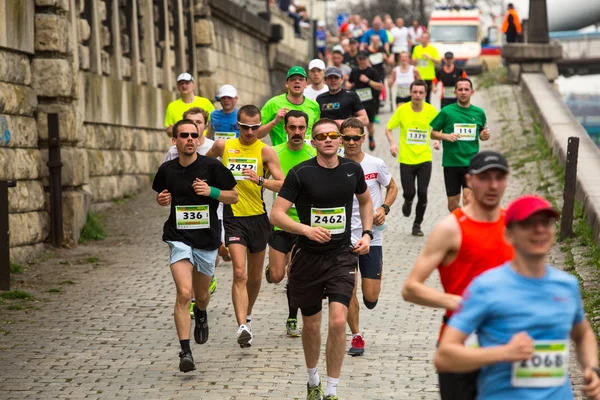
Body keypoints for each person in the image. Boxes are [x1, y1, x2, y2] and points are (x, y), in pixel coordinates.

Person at [436, 195, 600, 400]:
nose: (539, 230)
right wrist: (504, 353)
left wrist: (592, 369)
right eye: (528, 224)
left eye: (545, 223)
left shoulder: (567, 285)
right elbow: (445, 356)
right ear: (509, 235)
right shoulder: (485, 287)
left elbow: (583, 334)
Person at [271, 118, 373, 400]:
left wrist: (366, 233)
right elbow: (276, 214)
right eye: (321, 136)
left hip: (342, 256)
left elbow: (365, 201)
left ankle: (331, 390)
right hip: (307, 258)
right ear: (312, 142)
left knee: (339, 322)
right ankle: (312, 378)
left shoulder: (353, 170)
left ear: (340, 140)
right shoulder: (299, 173)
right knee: (312, 325)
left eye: (333, 135)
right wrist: (306, 230)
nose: (328, 139)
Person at [402, 151, 515, 400]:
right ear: (470, 181)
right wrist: (457, 302)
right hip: (461, 342)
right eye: (485, 178)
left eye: (500, 177)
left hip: (508, 340)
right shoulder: (451, 228)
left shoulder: (515, 226)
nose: (493, 185)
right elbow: (411, 288)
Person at [153, 118, 238, 373]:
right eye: (184, 135)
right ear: (175, 141)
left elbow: (233, 196)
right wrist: (161, 199)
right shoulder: (167, 169)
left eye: (194, 135)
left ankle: (201, 312)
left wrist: (211, 192)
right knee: (183, 292)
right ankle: (185, 351)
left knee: (201, 296)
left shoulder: (212, 166)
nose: (189, 139)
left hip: (207, 240)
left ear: (199, 140)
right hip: (178, 237)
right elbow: (161, 195)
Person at [205, 105, 285, 348]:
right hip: (233, 218)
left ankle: (247, 316)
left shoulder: (266, 151)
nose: (250, 132)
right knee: (239, 272)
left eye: (255, 127)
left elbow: (282, 184)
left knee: (254, 276)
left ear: (259, 126)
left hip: (259, 217)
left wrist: (261, 180)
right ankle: (241, 326)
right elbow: (202, 165)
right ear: (237, 125)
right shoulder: (224, 146)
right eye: (245, 127)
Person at [341, 118, 398, 357]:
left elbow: (393, 187)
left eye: (356, 137)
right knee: (347, 289)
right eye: (347, 137)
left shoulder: (376, 163)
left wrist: (383, 208)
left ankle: (374, 278)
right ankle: (356, 336)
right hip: (343, 238)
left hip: (371, 236)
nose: (352, 142)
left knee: (371, 297)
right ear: (340, 138)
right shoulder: (334, 164)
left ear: (363, 138)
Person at [264, 110, 316, 338]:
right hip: (280, 223)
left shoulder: (315, 154)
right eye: (292, 127)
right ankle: (271, 268)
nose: (297, 132)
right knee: (276, 276)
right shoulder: (274, 153)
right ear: (284, 128)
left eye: (301, 128)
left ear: (307, 129)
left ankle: (292, 318)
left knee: (295, 274)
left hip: (305, 225)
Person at [163, 107, 219, 312]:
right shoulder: (173, 153)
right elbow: (165, 179)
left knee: (210, 252)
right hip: (183, 217)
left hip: (213, 210)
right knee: (188, 261)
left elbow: (226, 186)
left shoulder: (215, 148)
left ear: (204, 126)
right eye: (187, 125)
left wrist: (212, 191)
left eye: (197, 124)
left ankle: (205, 282)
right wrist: (164, 196)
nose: (191, 133)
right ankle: (193, 294)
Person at [385, 80, 438, 236]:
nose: (417, 95)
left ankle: (417, 225)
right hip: (406, 159)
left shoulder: (431, 110)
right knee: (409, 192)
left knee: (423, 193)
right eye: (415, 92)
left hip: (424, 159)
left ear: (425, 94)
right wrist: (392, 144)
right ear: (410, 93)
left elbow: (439, 127)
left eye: (421, 92)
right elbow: (388, 129)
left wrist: (437, 140)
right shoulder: (403, 110)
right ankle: (407, 202)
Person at [430, 78, 491, 212]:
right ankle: (458, 226)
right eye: (460, 90)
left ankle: (466, 231)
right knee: (453, 205)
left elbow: (482, 133)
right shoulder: (446, 111)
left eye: (466, 89)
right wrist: (445, 136)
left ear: (472, 92)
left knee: (469, 200)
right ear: (455, 92)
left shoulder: (479, 113)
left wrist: (484, 136)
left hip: (471, 163)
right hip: (451, 163)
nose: (463, 92)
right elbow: (433, 133)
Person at [259, 66, 321, 146]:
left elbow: (317, 134)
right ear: (287, 84)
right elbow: (256, 134)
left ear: (306, 84)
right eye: (293, 79)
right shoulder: (273, 103)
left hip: (307, 156)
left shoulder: (314, 105)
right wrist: (275, 121)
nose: (297, 82)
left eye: (301, 79)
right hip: (281, 156)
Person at [349, 51, 383, 151]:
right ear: (357, 60)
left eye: (364, 59)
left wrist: (368, 81)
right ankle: (356, 142)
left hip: (370, 103)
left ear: (367, 60)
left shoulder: (372, 71)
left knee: (370, 126)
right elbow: (350, 83)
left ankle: (371, 137)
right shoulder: (354, 71)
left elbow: (380, 87)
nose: (362, 61)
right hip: (357, 103)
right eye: (360, 59)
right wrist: (349, 85)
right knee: (356, 125)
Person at [411, 33, 440, 104]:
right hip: (419, 76)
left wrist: (430, 57)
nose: (424, 39)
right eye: (422, 38)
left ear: (428, 39)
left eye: (426, 38)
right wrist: (415, 61)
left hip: (429, 76)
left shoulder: (433, 49)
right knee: (418, 96)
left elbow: (438, 62)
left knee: (427, 97)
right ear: (420, 38)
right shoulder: (416, 48)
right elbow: (413, 62)